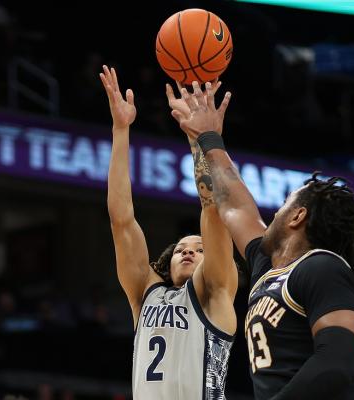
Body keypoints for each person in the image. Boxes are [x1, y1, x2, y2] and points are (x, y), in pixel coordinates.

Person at [168, 81, 354, 400]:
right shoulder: (268, 266)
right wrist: (206, 138)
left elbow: (336, 362)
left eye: (284, 205)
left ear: (297, 217)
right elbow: (235, 205)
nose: (275, 212)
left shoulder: (323, 268)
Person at [100, 66, 238, 400]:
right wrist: (121, 130)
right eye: (181, 249)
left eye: (199, 248)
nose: (188, 251)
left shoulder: (216, 291)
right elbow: (121, 220)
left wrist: (199, 137)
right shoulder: (145, 293)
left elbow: (212, 209)